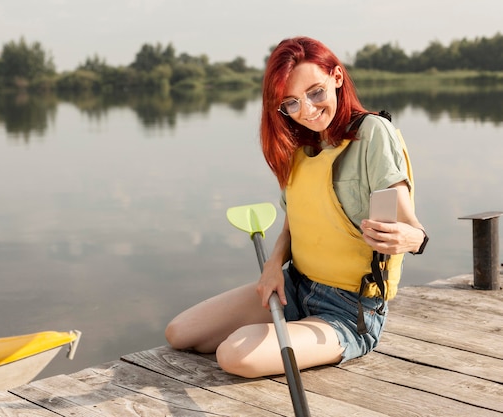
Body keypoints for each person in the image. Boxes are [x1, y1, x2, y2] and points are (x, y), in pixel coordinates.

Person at [165, 36, 428, 378]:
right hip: (294, 286)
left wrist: (409, 240)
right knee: (181, 333)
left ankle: (300, 338)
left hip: (350, 312)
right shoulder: (301, 146)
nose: (306, 110)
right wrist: (274, 265)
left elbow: (414, 229)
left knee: (233, 355)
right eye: (291, 102)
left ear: (336, 77)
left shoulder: (374, 133)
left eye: (316, 92)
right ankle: (287, 332)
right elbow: (296, 223)